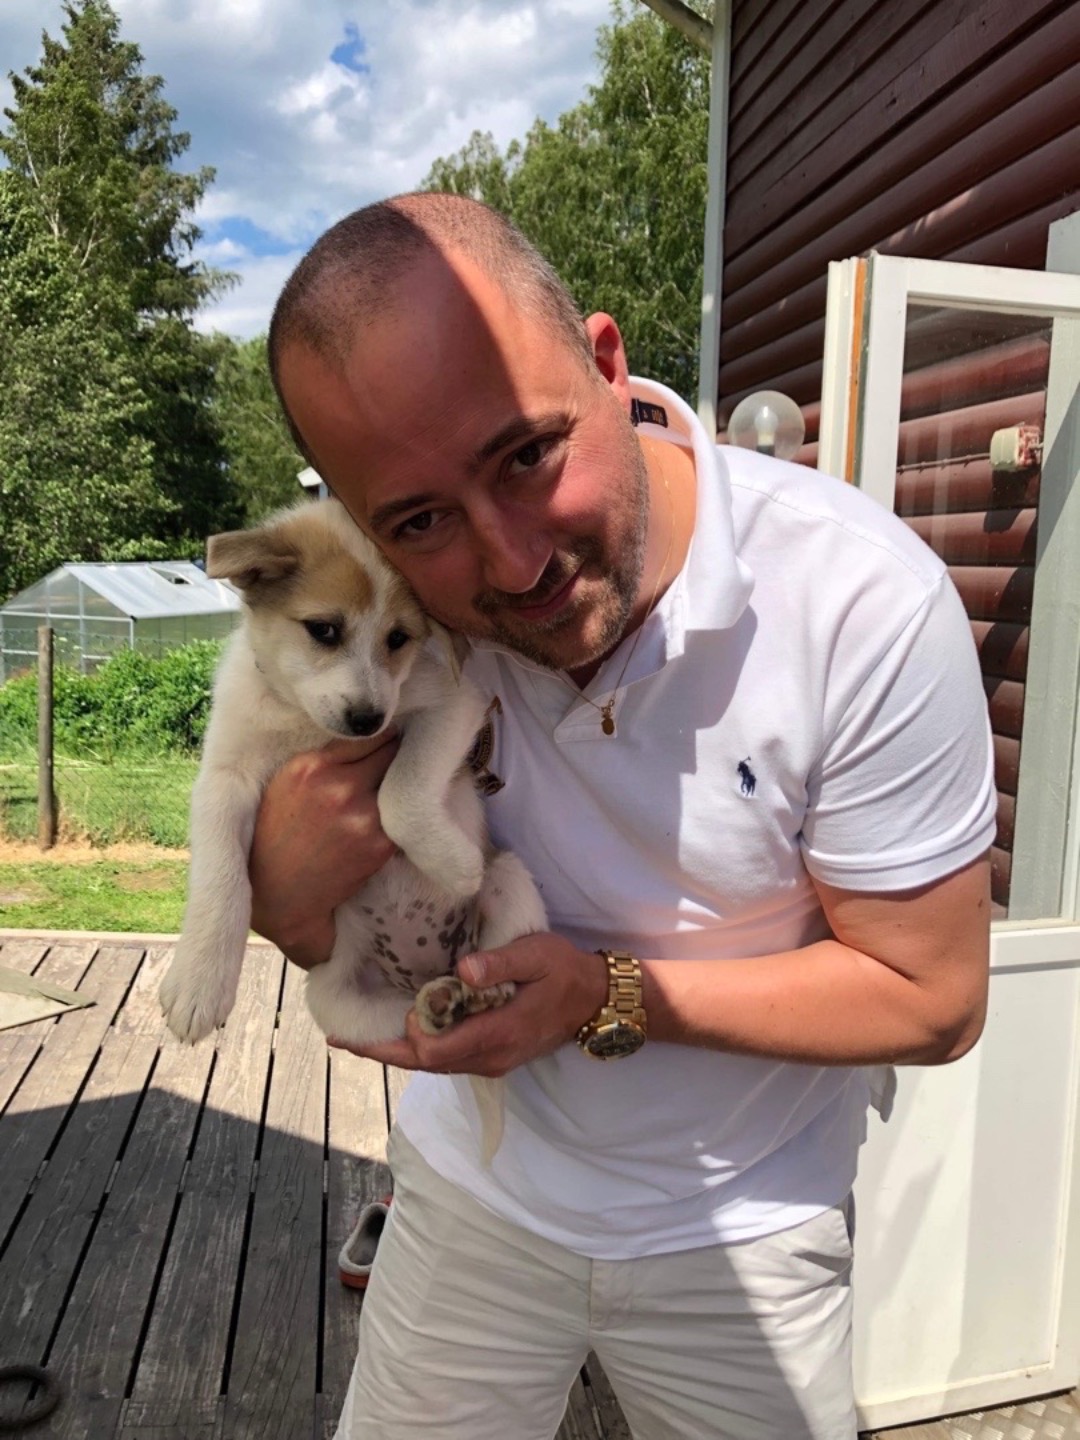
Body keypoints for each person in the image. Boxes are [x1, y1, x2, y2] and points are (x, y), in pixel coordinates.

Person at [252, 193, 995, 1440]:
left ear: (607, 362)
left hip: (747, 1233)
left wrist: (605, 995)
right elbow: (294, 886)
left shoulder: (861, 603)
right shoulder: (401, 625)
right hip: (473, 1191)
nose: (511, 563)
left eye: (526, 455)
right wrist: (276, 891)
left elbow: (933, 997)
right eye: (420, 520)